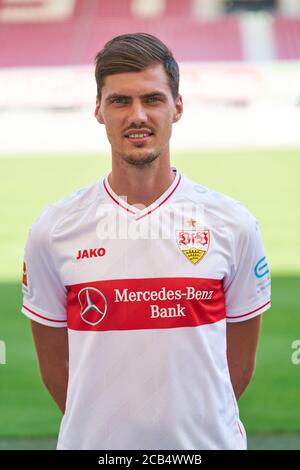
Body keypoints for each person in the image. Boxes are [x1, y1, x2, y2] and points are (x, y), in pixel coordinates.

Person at [21, 32, 271, 450]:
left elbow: (238, 365)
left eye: (152, 99)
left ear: (177, 107)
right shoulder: (54, 229)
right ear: (98, 110)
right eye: (120, 101)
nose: (137, 115)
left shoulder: (234, 224)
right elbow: (54, 364)